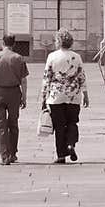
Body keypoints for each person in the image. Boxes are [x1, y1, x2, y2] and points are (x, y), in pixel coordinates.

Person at [41, 29, 89, 164]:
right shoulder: (77, 57)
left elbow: (47, 77)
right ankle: (71, 144)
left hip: (56, 96)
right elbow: (81, 76)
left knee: (59, 126)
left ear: (58, 41)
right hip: (73, 96)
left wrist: (44, 96)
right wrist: (85, 94)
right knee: (72, 122)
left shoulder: (52, 56)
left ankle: (61, 155)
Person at [0, 34, 29, 165]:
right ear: (14, 44)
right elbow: (23, 80)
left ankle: (4, 156)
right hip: (14, 93)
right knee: (13, 124)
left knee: (1, 126)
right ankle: (13, 153)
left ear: (2, 43)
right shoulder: (19, 58)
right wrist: (24, 97)